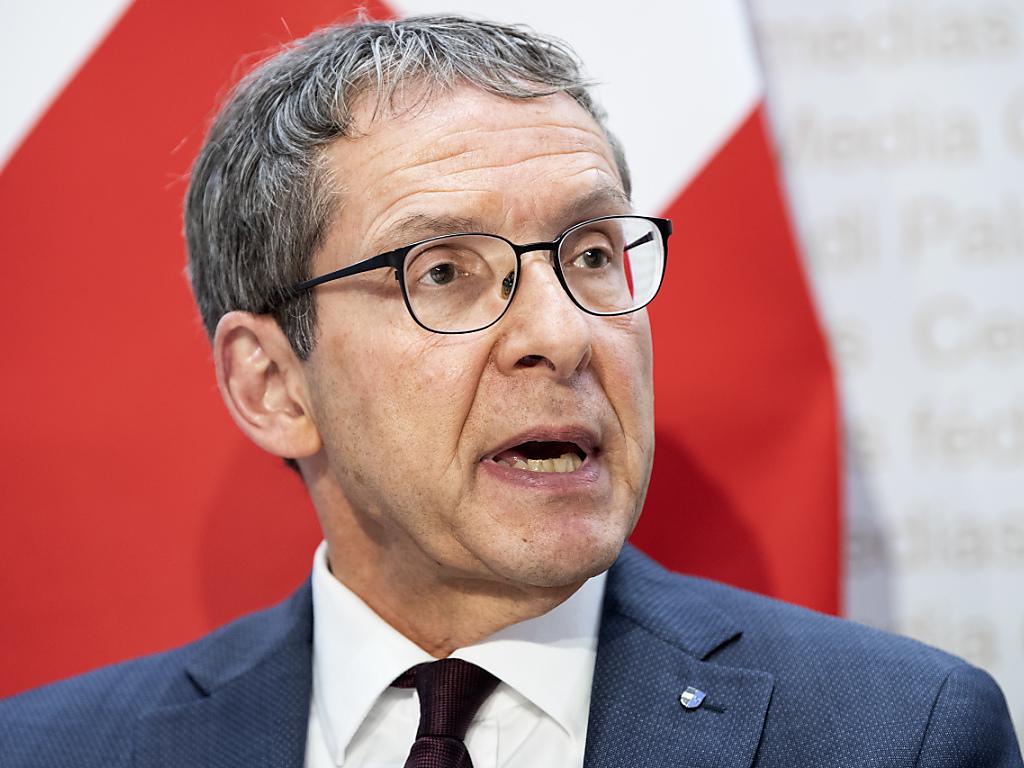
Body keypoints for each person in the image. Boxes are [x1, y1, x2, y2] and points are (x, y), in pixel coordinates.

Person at [1, 14, 1020, 768]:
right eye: (444, 270)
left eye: (590, 254)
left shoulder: (899, 737)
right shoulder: (53, 752)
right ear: (273, 385)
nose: (562, 335)